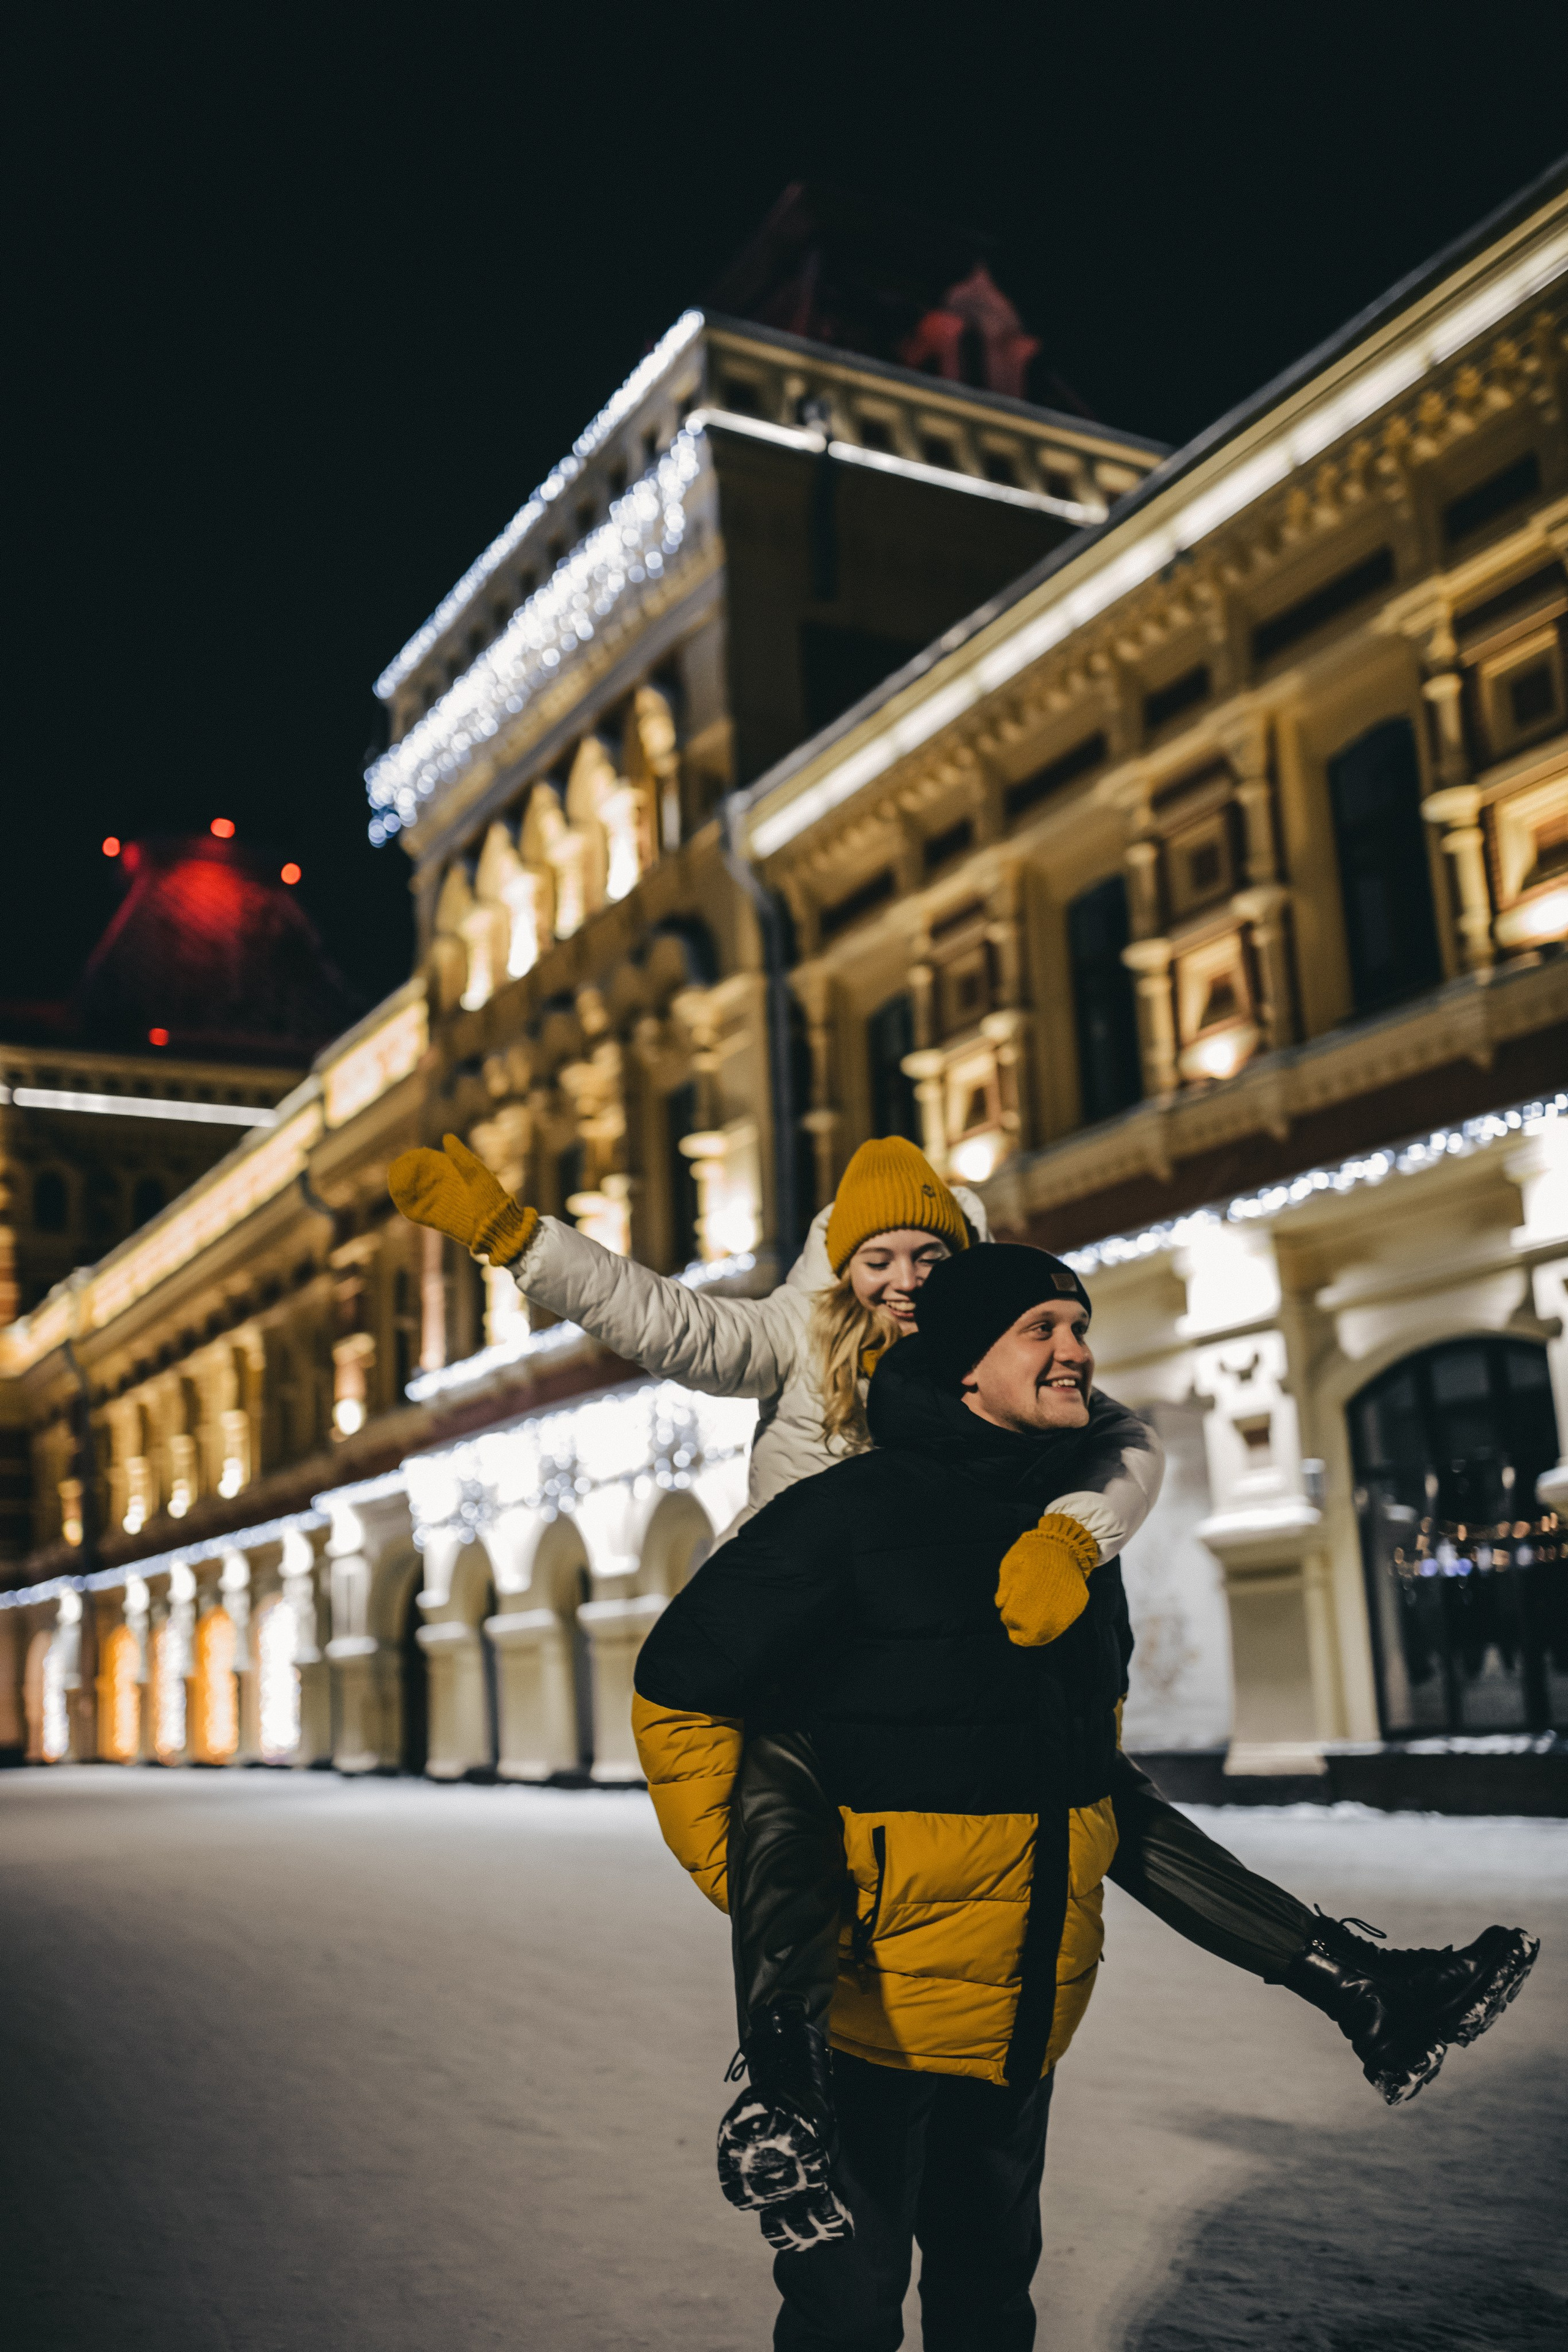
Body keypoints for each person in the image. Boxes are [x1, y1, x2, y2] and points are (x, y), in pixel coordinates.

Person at [386, 1138, 1537, 2114]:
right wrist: (513, 1234)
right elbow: (662, 1320)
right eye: (875, 1259)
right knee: (784, 1804)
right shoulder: (795, 1338)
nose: (898, 1279)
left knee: (1095, 1794)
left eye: (926, 1258)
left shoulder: (988, 1351)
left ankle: (1358, 1985)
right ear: (839, 1268)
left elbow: (1127, 1445)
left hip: (942, 1642)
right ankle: (786, 2082)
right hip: (808, 1638)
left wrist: (1072, 1537)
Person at [630, 1247, 1540, 2348]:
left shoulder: (1073, 1532)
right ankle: (779, 2074)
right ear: (967, 1364)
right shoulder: (844, 1515)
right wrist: (757, 1879)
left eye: (1079, 1324)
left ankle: (1364, 1984)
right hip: (874, 2019)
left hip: (1026, 2004)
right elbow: (677, 1693)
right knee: (848, 2312)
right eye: (1042, 1329)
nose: (1076, 1350)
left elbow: (1085, 1777)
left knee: (991, 2299)